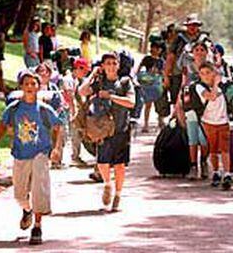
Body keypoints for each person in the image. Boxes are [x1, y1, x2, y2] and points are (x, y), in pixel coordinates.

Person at [0, 69, 64, 245]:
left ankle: (37, 227)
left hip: (40, 153)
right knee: (19, 194)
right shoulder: (13, 109)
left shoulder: (45, 109)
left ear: (38, 87)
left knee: (39, 190)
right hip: (21, 154)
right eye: (27, 84)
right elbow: (2, 125)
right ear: (21, 86)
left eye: (33, 84)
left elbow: (57, 127)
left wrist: (56, 148)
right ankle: (27, 210)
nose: (30, 87)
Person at [79, 52, 135, 212]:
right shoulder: (99, 82)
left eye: (114, 63)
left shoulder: (125, 82)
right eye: (107, 63)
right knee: (102, 162)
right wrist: (92, 74)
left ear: (118, 65)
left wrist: (111, 96)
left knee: (119, 165)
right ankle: (107, 184)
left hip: (121, 128)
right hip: (102, 130)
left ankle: (117, 195)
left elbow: (131, 102)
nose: (111, 66)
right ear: (102, 66)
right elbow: (82, 91)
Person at [175, 41, 210, 181]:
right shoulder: (188, 67)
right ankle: (193, 166)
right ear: (193, 52)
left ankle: (204, 161)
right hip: (189, 106)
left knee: (205, 139)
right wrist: (178, 105)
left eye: (202, 49)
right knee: (192, 137)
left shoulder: (210, 67)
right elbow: (183, 85)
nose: (199, 52)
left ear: (206, 52)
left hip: (206, 107)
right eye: (197, 49)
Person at [196, 62, 232, 190]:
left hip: (223, 121)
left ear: (214, 73)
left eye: (208, 73)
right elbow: (211, 97)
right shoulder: (199, 87)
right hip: (209, 122)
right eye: (202, 73)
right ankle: (216, 172)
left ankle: (227, 174)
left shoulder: (223, 84)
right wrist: (216, 84)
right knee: (213, 149)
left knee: (225, 149)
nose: (205, 76)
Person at [164, 14, 210, 105]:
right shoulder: (179, 39)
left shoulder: (203, 39)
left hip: (199, 73)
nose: (192, 27)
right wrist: (166, 75)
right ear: (187, 26)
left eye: (195, 25)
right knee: (177, 97)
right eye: (190, 25)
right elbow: (171, 56)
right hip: (179, 73)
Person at [62, 58, 92, 166]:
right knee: (71, 134)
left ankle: (76, 155)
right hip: (66, 110)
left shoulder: (76, 80)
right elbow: (70, 96)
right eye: (84, 71)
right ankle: (72, 157)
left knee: (76, 134)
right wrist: (74, 110)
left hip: (73, 109)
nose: (85, 74)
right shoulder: (68, 79)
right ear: (78, 68)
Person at [137, 40, 168, 132]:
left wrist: (165, 80)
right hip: (148, 83)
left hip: (157, 84)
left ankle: (160, 120)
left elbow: (163, 72)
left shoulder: (161, 61)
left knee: (159, 103)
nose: (155, 50)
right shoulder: (147, 59)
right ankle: (146, 124)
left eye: (157, 48)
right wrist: (140, 77)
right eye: (154, 47)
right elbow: (140, 67)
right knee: (148, 104)